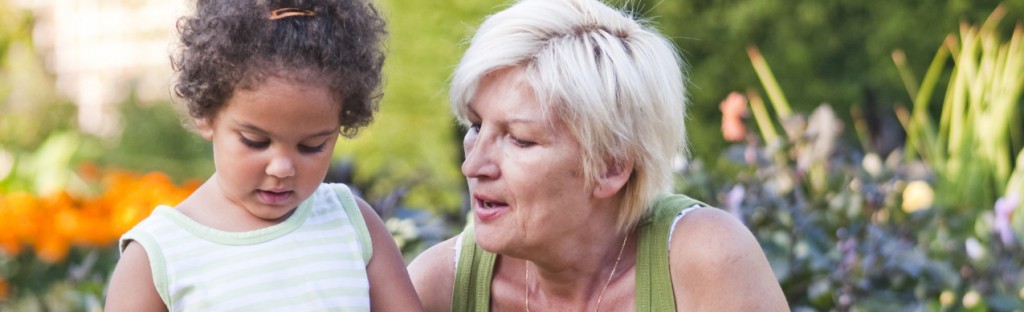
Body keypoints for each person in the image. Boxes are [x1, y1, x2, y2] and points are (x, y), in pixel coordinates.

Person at [407, 0, 789, 310]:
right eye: (475, 126)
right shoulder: (438, 287)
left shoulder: (707, 263)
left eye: (520, 139)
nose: (472, 165)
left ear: (611, 167)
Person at [104, 1, 422, 311]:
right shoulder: (157, 257)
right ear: (206, 113)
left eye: (312, 146)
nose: (282, 168)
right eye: (255, 141)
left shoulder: (354, 224)